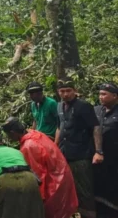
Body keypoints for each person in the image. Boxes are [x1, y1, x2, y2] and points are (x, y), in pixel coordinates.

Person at [2, 117, 78, 218]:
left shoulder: (28, 146)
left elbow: (38, 175)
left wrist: (38, 200)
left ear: (12, 133)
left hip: (55, 185)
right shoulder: (36, 134)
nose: (9, 138)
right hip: (63, 177)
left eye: (8, 135)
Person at [55, 77, 103, 218]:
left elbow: (95, 127)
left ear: (75, 91)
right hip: (65, 153)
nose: (65, 94)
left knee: (85, 189)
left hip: (81, 154)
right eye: (62, 91)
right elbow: (59, 127)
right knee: (68, 188)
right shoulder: (59, 106)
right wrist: (55, 148)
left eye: (68, 91)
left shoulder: (83, 106)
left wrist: (98, 151)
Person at [0, 132, 45, 218]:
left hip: (5, 179)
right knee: (33, 212)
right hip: (29, 177)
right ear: (2, 142)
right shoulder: (16, 151)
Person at [94, 83, 118, 217]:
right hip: (99, 157)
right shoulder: (97, 110)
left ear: (114, 96)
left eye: (104, 94)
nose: (101, 97)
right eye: (100, 94)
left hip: (114, 158)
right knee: (100, 190)